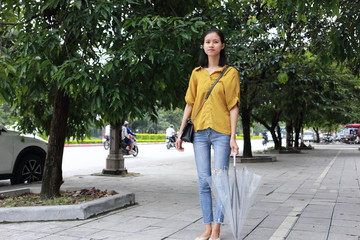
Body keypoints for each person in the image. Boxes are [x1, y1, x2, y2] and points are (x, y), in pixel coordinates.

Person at [175, 28, 240, 240]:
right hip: (200, 133)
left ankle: (217, 229)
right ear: (203, 46)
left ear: (222, 45)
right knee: (203, 181)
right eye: (207, 42)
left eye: (215, 41)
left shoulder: (231, 73)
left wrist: (233, 137)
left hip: (222, 132)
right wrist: (180, 131)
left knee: (220, 180)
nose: (210, 45)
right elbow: (190, 103)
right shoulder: (196, 73)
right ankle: (207, 227)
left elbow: (233, 106)